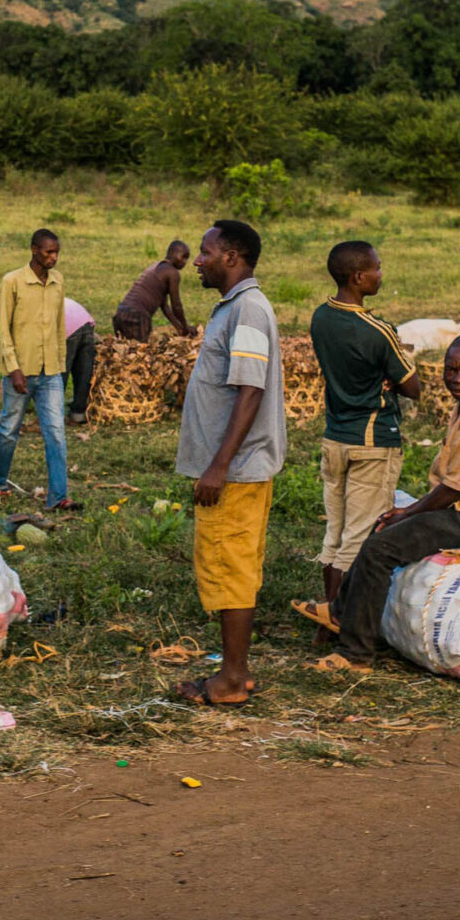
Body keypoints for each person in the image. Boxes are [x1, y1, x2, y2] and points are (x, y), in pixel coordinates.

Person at [305, 334, 460, 673]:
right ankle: (340, 612)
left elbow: (456, 488)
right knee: (381, 524)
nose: (457, 378)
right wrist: (404, 515)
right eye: (451, 370)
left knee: (381, 548)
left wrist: (408, 513)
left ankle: (357, 654)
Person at [172, 220, 285, 706]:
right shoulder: (235, 309)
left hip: (236, 472)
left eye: (205, 252)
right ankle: (233, 671)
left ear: (231, 258)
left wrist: (219, 465)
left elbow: (250, 389)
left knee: (231, 569)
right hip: (231, 468)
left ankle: (232, 680)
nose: (197, 260)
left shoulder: (249, 312)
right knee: (230, 566)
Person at [291, 241, 421, 644]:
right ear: (358, 277)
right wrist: (389, 374)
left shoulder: (320, 317)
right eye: (377, 269)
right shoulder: (378, 330)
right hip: (372, 442)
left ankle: (328, 622)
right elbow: (412, 387)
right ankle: (344, 624)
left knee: (335, 534)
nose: (382, 274)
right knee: (360, 538)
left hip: (335, 438)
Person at [0, 229, 75, 510]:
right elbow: (4, 328)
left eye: (57, 252)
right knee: (9, 429)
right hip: (20, 371)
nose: (54, 257)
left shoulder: (57, 281)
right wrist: (13, 368)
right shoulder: (12, 281)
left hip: (50, 371)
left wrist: (60, 366)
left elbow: (60, 325)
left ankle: (58, 497)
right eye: (49, 252)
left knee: (56, 433)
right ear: (34, 250)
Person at [112, 241, 192, 341]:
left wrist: (179, 327)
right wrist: (186, 326)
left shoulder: (156, 267)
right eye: (183, 256)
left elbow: (165, 306)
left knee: (125, 350)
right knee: (139, 352)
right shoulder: (172, 273)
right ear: (172, 253)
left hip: (121, 313)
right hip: (137, 316)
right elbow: (176, 306)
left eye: (187, 258)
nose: (185, 262)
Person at [63, 298, 96, 426]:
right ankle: (79, 414)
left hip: (67, 327)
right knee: (84, 372)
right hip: (85, 321)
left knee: (59, 373)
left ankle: (53, 416)